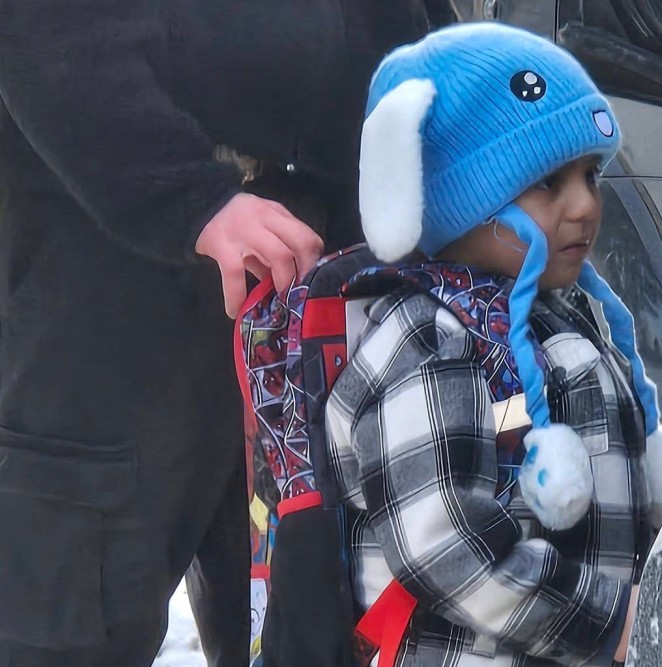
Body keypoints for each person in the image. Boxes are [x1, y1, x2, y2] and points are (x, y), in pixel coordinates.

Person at [0, 1, 444, 665]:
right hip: (110, 288)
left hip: (325, 281)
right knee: (72, 626)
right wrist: (188, 196)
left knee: (309, 622)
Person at [319, 22, 662, 666]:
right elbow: (442, 542)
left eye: (591, 175)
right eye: (548, 183)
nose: (584, 206)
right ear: (464, 199)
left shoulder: (559, 314)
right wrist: (607, 622)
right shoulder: (427, 338)